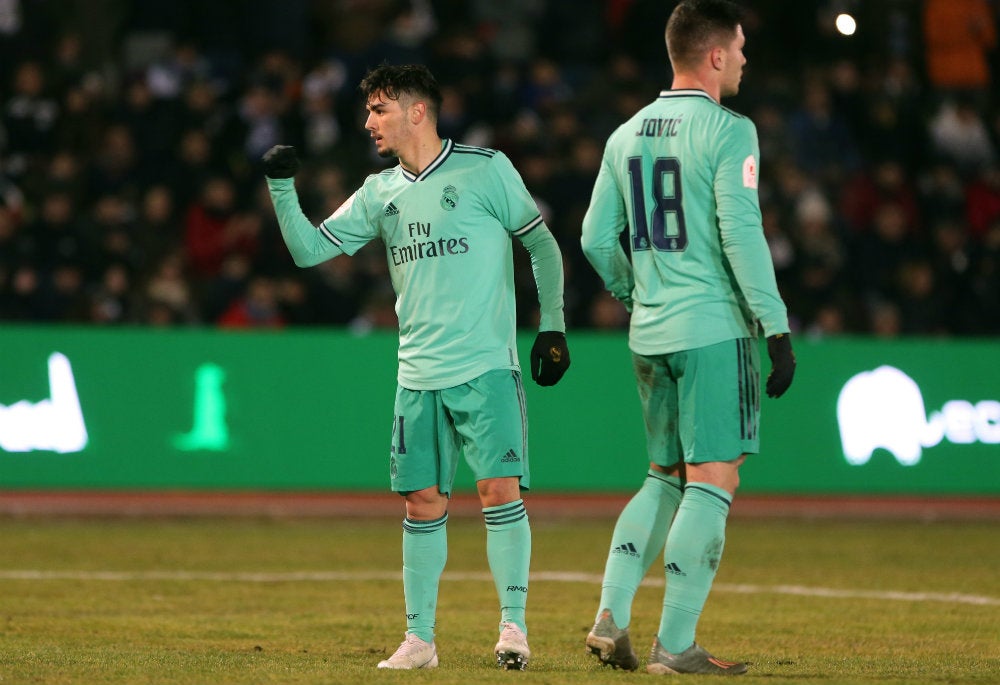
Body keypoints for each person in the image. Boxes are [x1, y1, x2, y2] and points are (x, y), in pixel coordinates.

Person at [261, 63, 570, 671]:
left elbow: (541, 244)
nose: (368, 122)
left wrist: (553, 325)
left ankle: (513, 628)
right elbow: (308, 250)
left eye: (378, 109)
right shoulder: (381, 192)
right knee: (421, 503)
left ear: (416, 111)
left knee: (498, 490)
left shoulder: (486, 169)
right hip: (416, 375)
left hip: (485, 366)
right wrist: (279, 186)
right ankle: (420, 641)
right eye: (369, 110)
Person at [579, 0, 795, 676]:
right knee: (713, 477)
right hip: (711, 329)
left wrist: (634, 294)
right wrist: (776, 324)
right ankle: (675, 646)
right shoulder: (731, 131)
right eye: (740, 45)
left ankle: (609, 614)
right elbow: (741, 231)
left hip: (651, 333)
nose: (745, 57)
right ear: (714, 55)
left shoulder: (625, 133)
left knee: (662, 476)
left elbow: (592, 238)